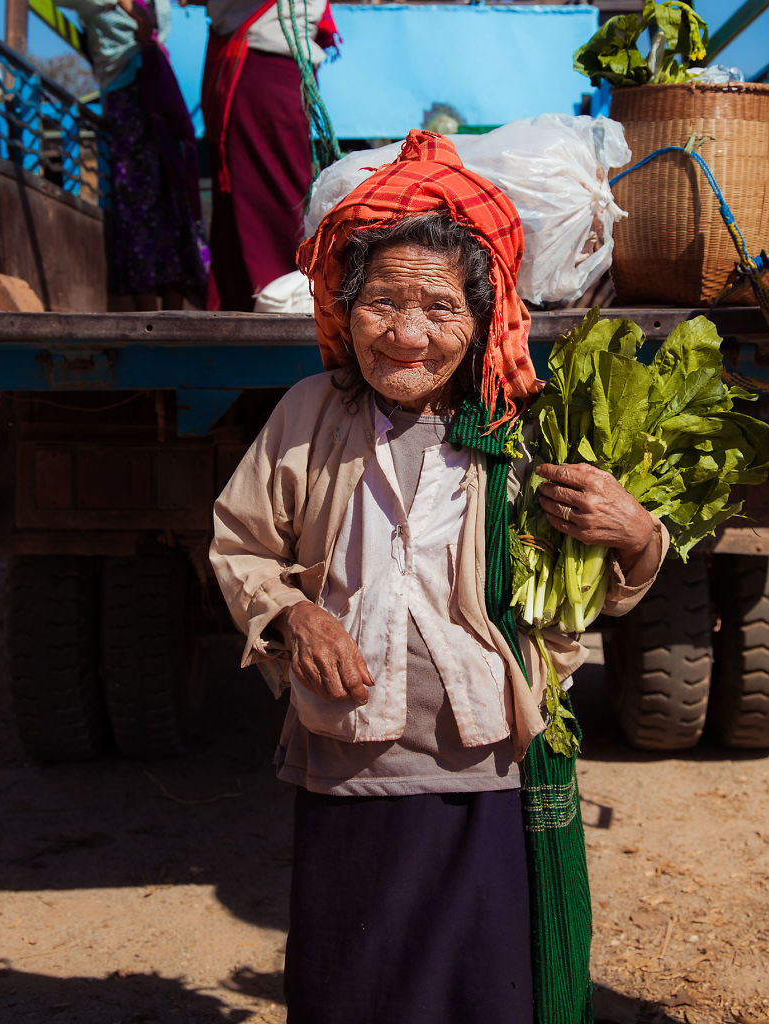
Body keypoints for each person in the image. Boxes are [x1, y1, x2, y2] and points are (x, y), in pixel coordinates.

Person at [210, 129, 669, 1024]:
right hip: (348, 758)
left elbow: (604, 583)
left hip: (489, 763)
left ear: (485, 314)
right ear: (346, 308)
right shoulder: (311, 414)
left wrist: (637, 532)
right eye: (383, 303)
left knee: (481, 993)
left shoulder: (526, 429)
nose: (409, 335)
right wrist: (294, 618)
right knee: (356, 984)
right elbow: (241, 545)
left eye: (439, 309)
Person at [40, 0, 210, 308]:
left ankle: (178, 301)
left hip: (161, 88)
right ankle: (143, 304)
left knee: (174, 192)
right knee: (139, 195)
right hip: (127, 94)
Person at [194, 0, 335, 311]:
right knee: (239, 192)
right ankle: (240, 300)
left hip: (267, 74)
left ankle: (283, 295)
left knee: (271, 185)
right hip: (246, 75)